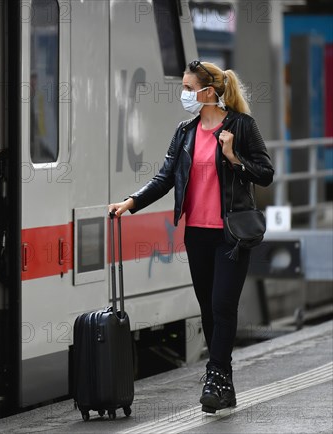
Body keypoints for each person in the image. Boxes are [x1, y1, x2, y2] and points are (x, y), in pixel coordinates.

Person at [109, 60, 274, 413]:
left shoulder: (242, 127)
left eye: (188, 88)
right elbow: (166, 176)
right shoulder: (185, 132)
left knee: (222, 305)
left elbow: (265, 173)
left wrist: (232, 157)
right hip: (197, 234)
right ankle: (224, 383)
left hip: (232, 234)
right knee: (208, 312)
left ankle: (214, 378)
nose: (184, 94)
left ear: (208, 91)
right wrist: (131, 202)